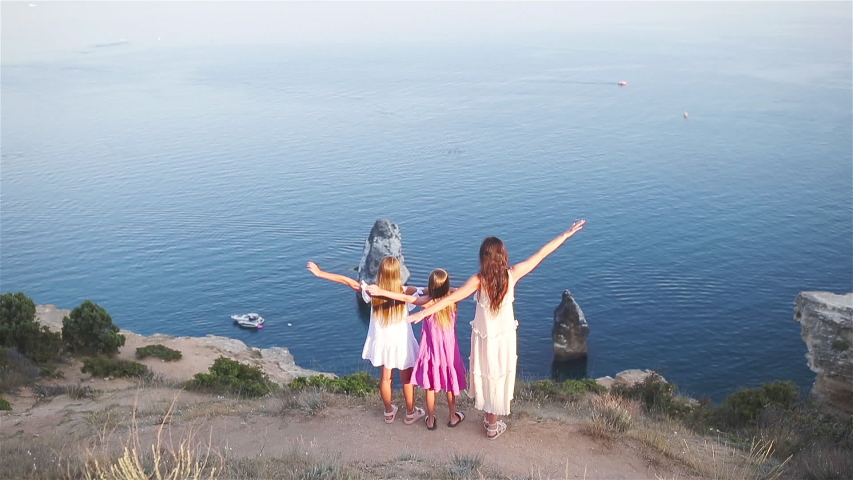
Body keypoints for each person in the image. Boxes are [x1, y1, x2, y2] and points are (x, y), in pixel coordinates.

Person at [407, 220, 586, 439]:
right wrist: (565, 234)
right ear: (503, 256)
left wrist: (422, 313)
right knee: (499, 375)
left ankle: (491, 421)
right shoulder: (513, 274)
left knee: (488, 374)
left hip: (484, 338)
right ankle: (492, 424)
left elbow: (450, 298)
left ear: (483, 257)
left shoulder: (478, 280)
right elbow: (541, 254)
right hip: (505, 337)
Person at [307, 257, 426, 425]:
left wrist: (320, 273)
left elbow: (347, 281)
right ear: (397, 274)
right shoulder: (405, 291)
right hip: (401, 343)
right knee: (407, 379)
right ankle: (410, 413)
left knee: (386, 378)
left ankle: (389, 412)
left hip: (383, 343)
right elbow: (431, 290)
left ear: (381, 273)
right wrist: (458, 290)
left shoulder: (373, 292)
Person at [368, 268, 466, 430]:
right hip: (449, 351)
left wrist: (381, 291)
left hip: (431, 351)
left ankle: (430, 419)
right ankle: (453, 416)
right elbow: (463, 290)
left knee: (431, 386)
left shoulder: (427, 302)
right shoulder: (452, 300)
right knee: (449, 382)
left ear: (430, 287)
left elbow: (403, 297)